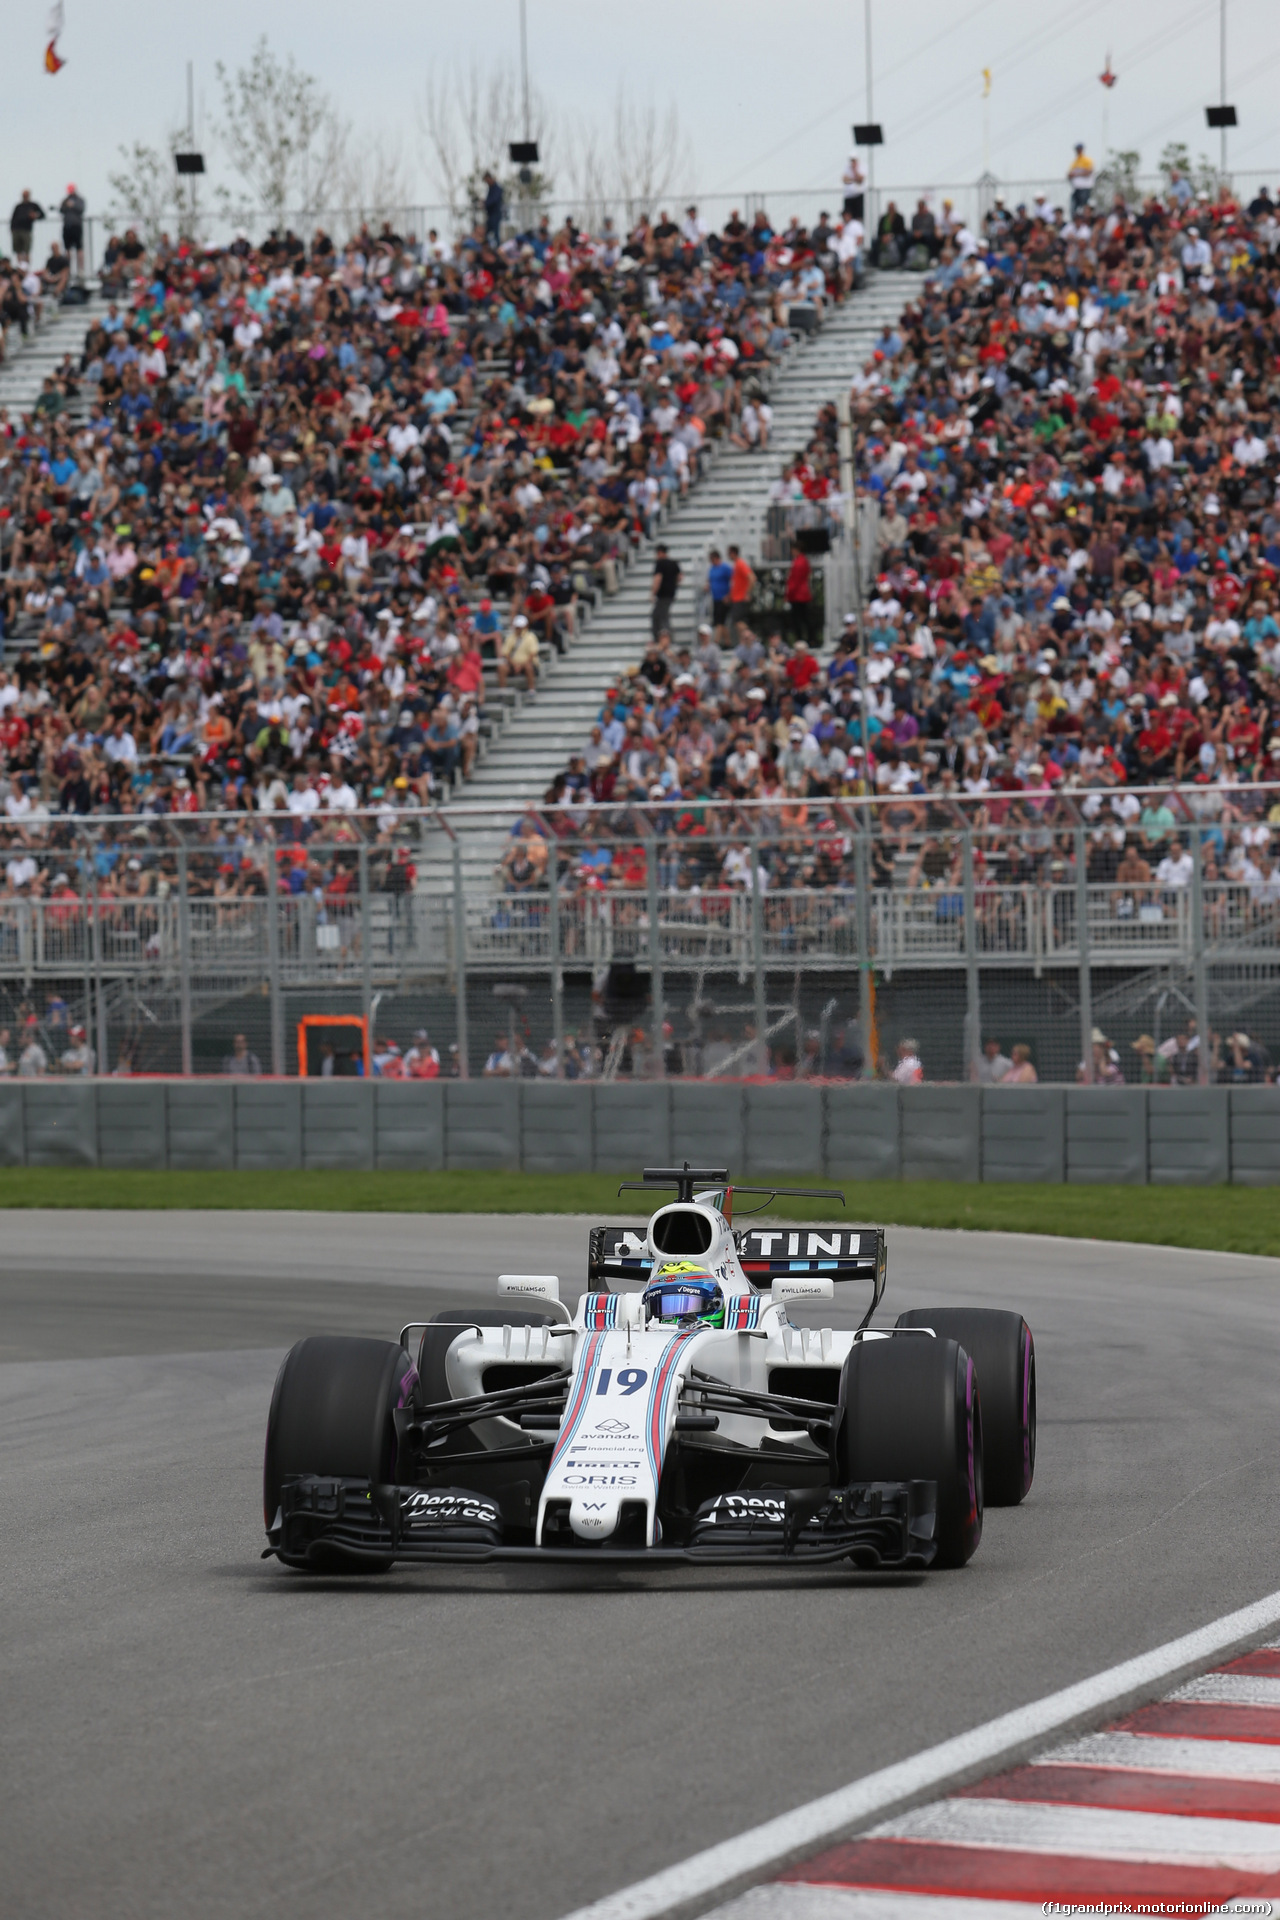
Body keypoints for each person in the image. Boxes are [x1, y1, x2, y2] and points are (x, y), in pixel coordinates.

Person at [650, 543, 681, 640]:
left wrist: (653, 593)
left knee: (660, 617)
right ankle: (665, 638)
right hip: (671, 594)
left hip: (663, 595)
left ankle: (664, 639)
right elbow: (680, 577)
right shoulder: (673, 563)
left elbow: (657, 578)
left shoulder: (660, 563)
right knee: (663, 614)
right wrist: (673, 585)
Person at [9, 191, 44, 261]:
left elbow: (42, 215)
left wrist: (35, 216)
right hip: (16, 230)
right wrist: (12, 229)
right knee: (18, 251)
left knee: (26, 251)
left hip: (26, 230)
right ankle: (20, 269)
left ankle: (26, 269)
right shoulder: (18, 206)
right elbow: (13, 218)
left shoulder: (33, 205)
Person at [59, 184, 85, 278]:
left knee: (79, 249)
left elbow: (81, 209)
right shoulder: (65, 200)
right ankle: (68, 269)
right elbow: (61, 210)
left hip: (76, 226)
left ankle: (81, 270)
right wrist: (67, 205)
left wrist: (73, 205)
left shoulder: (80, 200)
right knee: (67, 249)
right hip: (67, 227)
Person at [1068, 144, 1094, 214]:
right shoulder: (1075, 161)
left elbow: (1089, 172)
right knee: (1075, 207)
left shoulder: (1087, 160)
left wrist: (1077, 174)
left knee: (1084, 205)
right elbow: (1070, 174)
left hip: (1085, 187)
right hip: (1077, 187)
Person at [842, 152, 865, 222]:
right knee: (848, 218)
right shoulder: (846, 168)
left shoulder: (861, 167)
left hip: (858, 196)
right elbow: (845, 180)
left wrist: (854, 171)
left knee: (858, 218)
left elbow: (860, 180)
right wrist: (854, 179)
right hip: (848, 196)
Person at [483, 171, 503, 246]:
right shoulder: (490, 188)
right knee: (487, 232)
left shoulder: (497, 188)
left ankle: (497, 247)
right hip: (490, 214)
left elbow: (494, 200)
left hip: (495, 214)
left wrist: (486, 203)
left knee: (495, 233)